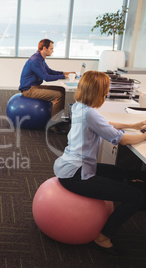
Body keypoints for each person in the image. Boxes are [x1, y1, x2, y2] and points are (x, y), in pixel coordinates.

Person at [53, 71, 146, 255]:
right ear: (98, 92)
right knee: (135, 197)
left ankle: (130, 188)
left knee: (118, 172)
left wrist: (134, 126)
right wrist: (143, 135)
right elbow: (121, 140)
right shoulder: (90, 114)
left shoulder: (80, 107)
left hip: (69, 166)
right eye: (105, 91)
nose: (107, 93)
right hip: (75, 176)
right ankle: (102, 237)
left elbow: (104, 123)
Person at [19, 39, 75, 130]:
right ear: (44, 48)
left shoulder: (40, 58)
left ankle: (58, 119)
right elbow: (47, 77)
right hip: (29, 90)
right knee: (58, 95)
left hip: (35, 87)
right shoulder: (35, 60)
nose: (53, 51)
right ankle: (53, 125)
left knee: (61, 90)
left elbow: (50, 72)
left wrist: (67, 73)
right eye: (51, 48)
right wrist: (64, 76)